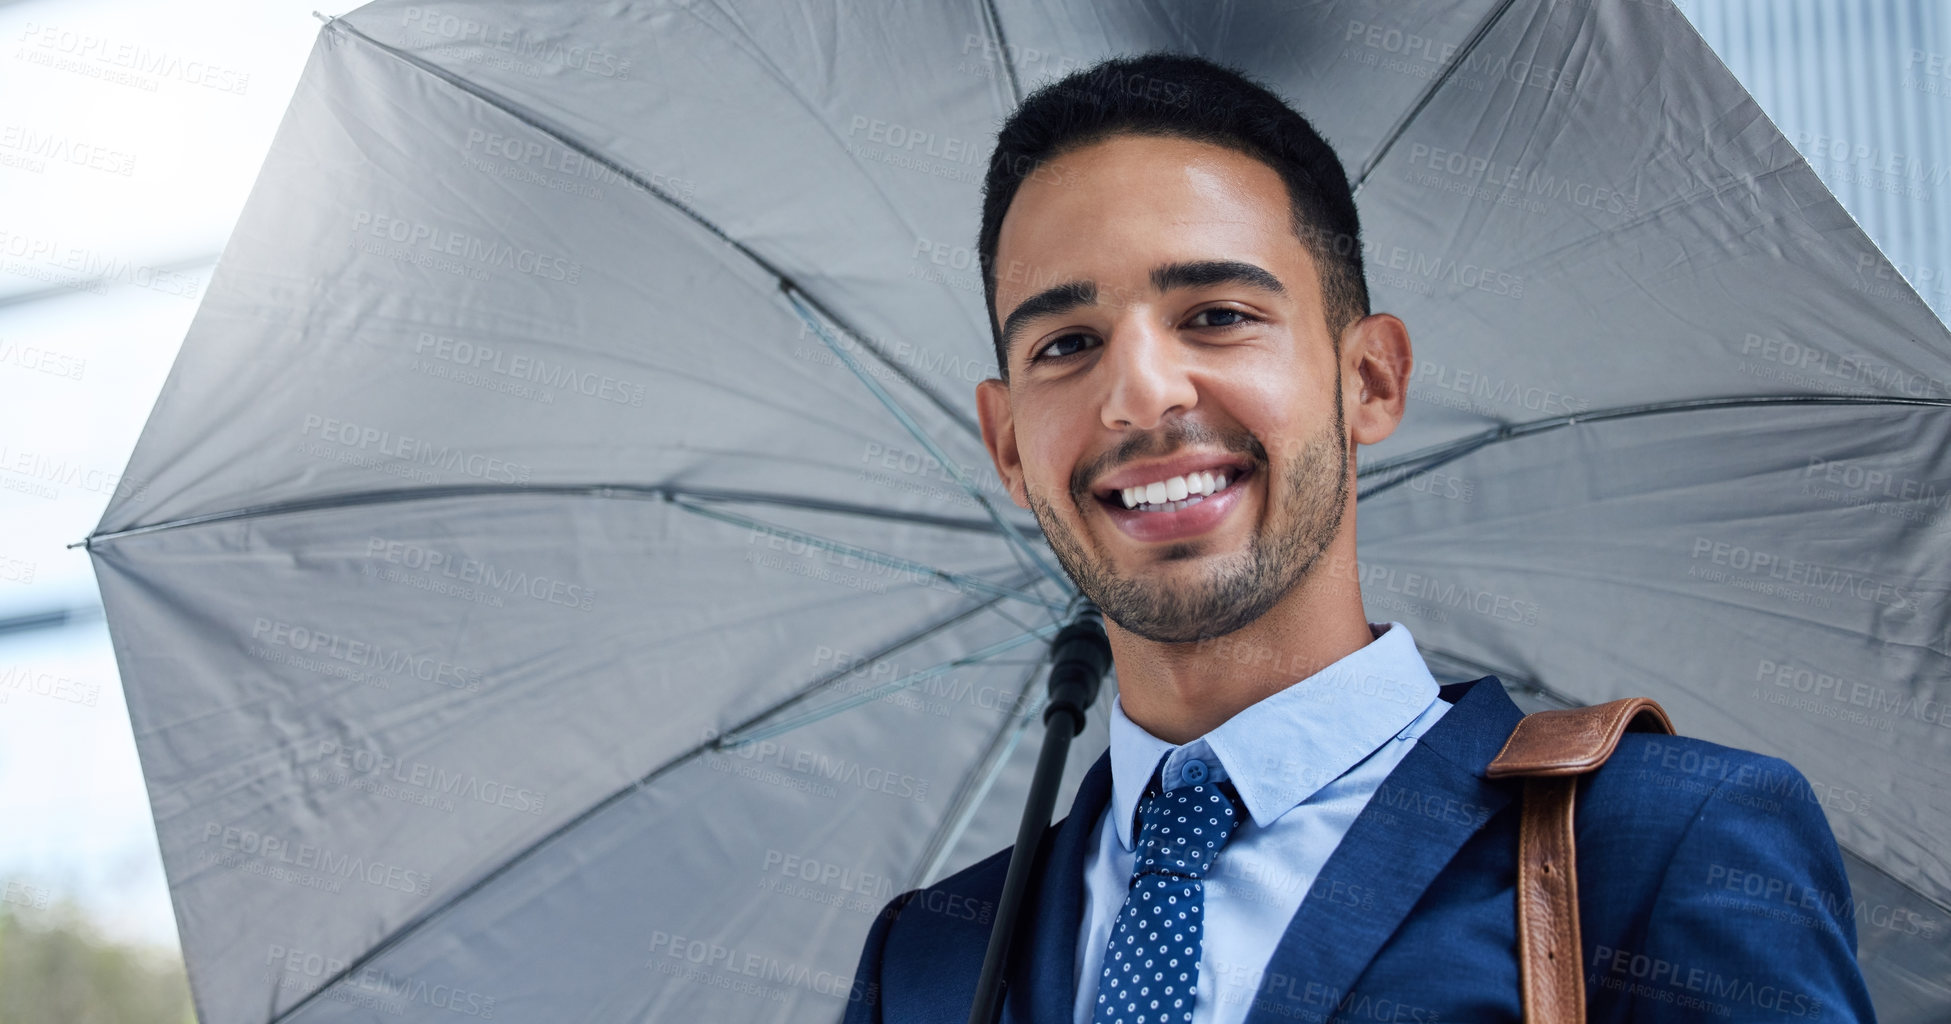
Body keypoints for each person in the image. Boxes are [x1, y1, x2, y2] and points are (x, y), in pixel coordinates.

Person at [843, 53, 1877, 1024]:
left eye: (1216, 314)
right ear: (1007, 442)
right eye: (1066, 344)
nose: (1139, 394)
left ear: (1369, 379)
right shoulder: (928, 961)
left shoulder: (1662, 843)